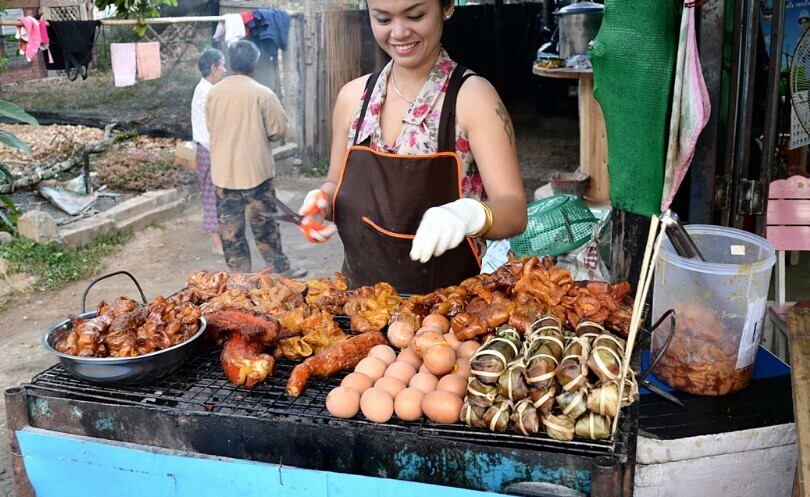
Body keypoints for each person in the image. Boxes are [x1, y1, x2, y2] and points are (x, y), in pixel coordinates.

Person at [298, 0, 527, 294]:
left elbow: (514, 209)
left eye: (415, 15)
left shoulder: (473, 98)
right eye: (382, 19)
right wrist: (321, 202)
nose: (399, 32)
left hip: (448, 316)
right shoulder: (352, 99)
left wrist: (470, 214)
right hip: (359, 308)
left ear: (446, 7)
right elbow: (335, 182)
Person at [206, 39, 306, 278]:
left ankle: (240, 279)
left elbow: (211, 126)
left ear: (230, 64)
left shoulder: (213, 94)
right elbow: (277, 131)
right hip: (255, 174)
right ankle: (281, 271)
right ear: (254, 65)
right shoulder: (263, 94)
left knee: (231, 232)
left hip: (224, 174)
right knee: (266, 227)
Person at [191, 48, 226, 255]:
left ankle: (220, 238)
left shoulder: (205, 89)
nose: (224, 69)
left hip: (207, 147)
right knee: (211, 194)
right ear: (212, 68)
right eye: (222, 65)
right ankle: (217, 242)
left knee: (214, 193)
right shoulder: (207, 91)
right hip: (208, 148)